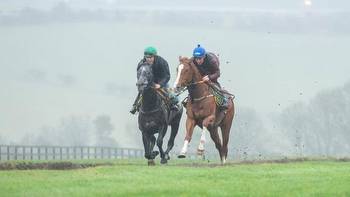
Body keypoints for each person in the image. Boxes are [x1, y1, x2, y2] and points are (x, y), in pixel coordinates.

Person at [130, 46, 179, 114]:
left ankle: (174, 105)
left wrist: (160, 84)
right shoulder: (141, 63)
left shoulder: (162, 62)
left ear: (155, 56)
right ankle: (135, 105)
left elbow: (167, 76)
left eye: (150, 57)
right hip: (148, 83)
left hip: (161, 82)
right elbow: (139, 74)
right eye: (147, 57)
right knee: (141, 93)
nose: (148, 59)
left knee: (170, 94)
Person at [191, 44, 228, 110]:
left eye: (200, 59)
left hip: (211, 75)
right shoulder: (193, 60)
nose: (198, 61)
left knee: (215, 86)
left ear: (204, 56)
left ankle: (224, 100)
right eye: (196, 59)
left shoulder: (212, 61)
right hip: (200, 76)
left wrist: (209, 77)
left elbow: (218, 73)